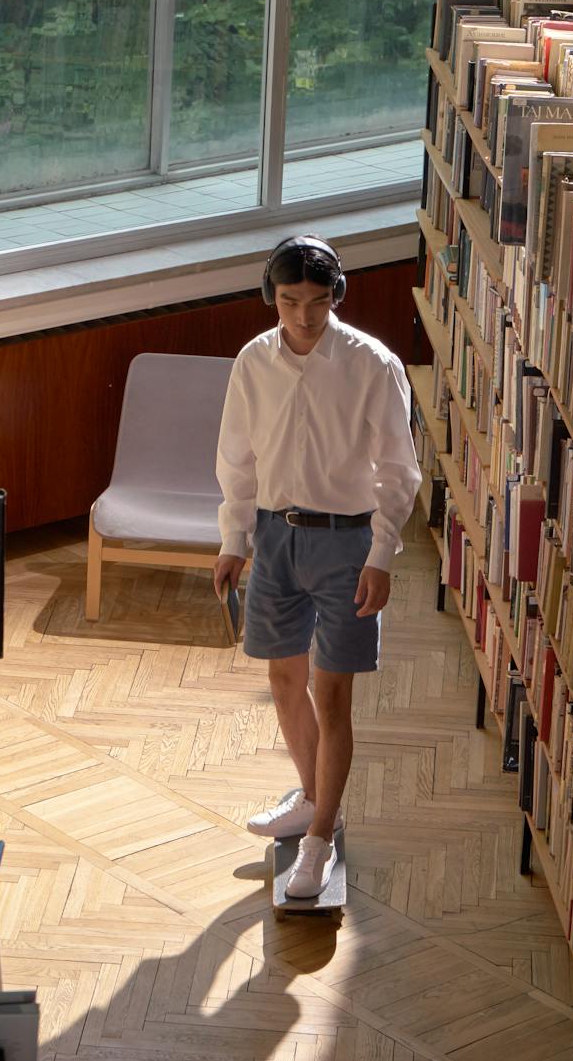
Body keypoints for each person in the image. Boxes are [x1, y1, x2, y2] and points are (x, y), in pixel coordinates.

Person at [212, 235, 421, 899]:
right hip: (275, 535)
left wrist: (383, 554)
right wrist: (233, 540)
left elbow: (398, 469)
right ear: (272, 297)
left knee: (332, 696)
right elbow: (236, 460)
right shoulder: (253, 361)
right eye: (290, 301)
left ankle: (321, 837)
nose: (304, 316)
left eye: (318, 301)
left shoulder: (372, 364)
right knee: (282, 676)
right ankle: (311, 794)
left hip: (347, 543)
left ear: (338, 295)